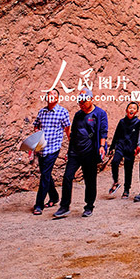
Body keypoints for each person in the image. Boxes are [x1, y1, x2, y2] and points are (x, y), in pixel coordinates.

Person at [53, 89, 108, 219]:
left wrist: (101, 147)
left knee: (90, 180)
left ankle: (89, 206)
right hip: (75, 152)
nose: (81, 104)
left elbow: (103, 131)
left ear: (90, 99)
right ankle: (64, 206)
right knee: (67, 177)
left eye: (84, 102)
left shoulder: (100, 114)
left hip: (90, 153)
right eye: (80, 102)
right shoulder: (78, 115)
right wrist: (69, 151)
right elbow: (73, 134)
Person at [31, 88, 71, 214]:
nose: (51, 95)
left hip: (53, 148)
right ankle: (54, 196)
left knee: (44, 175)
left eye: (54, 94)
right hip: (41, 148)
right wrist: (36, 135)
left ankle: (39, 205)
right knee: (46, 174)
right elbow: (36, 125)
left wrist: (71, 149)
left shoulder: (62, 112)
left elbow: (68, 130)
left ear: (57, 98)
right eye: (49, 94)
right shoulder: (42, 112)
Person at [108, 101, 140, 198]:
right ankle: (116, 182)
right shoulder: (122, 122)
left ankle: (126, 190)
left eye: (134, 108)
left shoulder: (137, 123)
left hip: (131, 147)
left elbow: (139, 136)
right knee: (115, 162)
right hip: (120, 145)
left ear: (137, 111)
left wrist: (137, 147)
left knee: (128, 168)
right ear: (126, 110)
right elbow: (116, 134)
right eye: (130, 108)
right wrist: (112, 147)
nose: (132, 110)